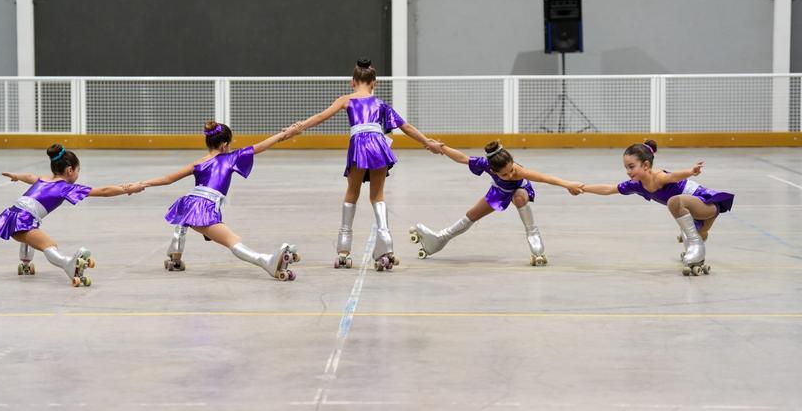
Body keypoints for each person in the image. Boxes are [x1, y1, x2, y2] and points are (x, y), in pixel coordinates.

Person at [284, 58, 442, 271]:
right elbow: (406, 126)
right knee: (377, 196)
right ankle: (386, 243)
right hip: (379, 146)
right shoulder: (381, 104)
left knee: (352, 193)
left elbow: (321, 116)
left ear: (352, 82)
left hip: (359, 145)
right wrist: (428, 142)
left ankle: (343, 249)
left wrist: (298, 128)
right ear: (374, 83)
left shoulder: (346, 100)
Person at [141, 121, 300, 281]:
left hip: (192, 202)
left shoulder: (197, 163)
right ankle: (266, 262)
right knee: (232, 240)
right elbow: (262, 146)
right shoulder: (231, 158)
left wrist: (140, 184)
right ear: (224, 145)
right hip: (203, 208)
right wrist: (285, 134)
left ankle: (175, 253)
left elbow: (167, 179)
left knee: (188, 225)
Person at [0, 144, 146, 287]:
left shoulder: (44, 179)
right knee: (49, 245)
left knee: (34, 233)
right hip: (23, 220)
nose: (78, 174)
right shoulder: (65, 188)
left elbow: (30, 177)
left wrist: (17, 176)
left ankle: (25, 263)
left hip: (12, 215)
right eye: (78, 170)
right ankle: (67, 264)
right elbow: (103, 191)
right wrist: (128, 189)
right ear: (70, 170)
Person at [410, 141, 583, 265]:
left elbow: (545, 178)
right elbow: (462, 158)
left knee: (519, 197)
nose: (510, 175)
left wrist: (568, 184)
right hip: (499, 191)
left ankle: (534, 239)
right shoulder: (485, 164)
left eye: (511, 169)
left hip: (520, 190)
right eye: (505, 174)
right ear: (493, 170)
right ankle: (438, 240)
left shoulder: (518, 172)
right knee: (471, 215)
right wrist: (442, 147)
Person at [578, 140, 734, 276]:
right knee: (699, 233)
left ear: (646, 165)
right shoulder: (636, 185)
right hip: (690, 211)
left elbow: (673, 176)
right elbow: (609, 189)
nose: (628, 172)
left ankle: (695, 244)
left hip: (706, 204)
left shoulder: (658, 177)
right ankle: (694, 240)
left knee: (675, 202)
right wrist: (583, 188)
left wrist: (691, 171)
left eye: (631, 167)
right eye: (626, 167)